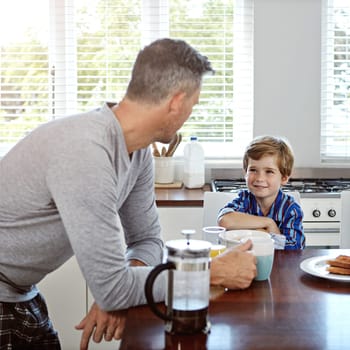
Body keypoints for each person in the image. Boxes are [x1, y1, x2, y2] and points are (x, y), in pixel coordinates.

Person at [0, 38, 257, 350]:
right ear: (176, 101)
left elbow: (147, 240)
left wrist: (126, 288)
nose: (191, 112)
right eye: (193, 103)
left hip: (18, 293)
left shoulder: (138, 153)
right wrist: (209, 273)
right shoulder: (85, 152)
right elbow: (112, 288)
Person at [218, 135, 305, 250]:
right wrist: (268, 223)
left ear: (283, 178)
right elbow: (225, 220)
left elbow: (293, 247)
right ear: (245, 173)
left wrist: (256, 232)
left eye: (269, 171)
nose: (259, 178)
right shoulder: (244, 199)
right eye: (253, 170)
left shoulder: (291, 209)